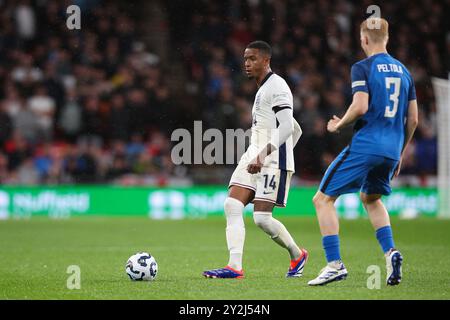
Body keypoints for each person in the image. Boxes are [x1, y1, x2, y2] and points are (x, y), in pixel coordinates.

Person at [308, 18, 418, 286]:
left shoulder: (363, 67)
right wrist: (400, 153)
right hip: (392, 149)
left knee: (322, 200)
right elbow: (413, 120)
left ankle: (334, 264)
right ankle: (390, 252)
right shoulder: (405, 72)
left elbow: (360, 106)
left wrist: (338, 124)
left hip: (367, 144)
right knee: (370, 199)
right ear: (387, 38)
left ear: (364, 40)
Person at [203, 41, 307, 279]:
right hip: (254, 155)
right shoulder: (263, 89)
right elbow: (295, 128)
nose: (247, 64)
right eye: (245, 59)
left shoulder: (278, 86)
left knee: (261, 218)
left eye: (252, 59)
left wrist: (270, 155)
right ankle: (234, 267)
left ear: (266, 60)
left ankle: (297, 254)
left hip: (270, 159)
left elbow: (288, 126)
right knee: (232, 205)